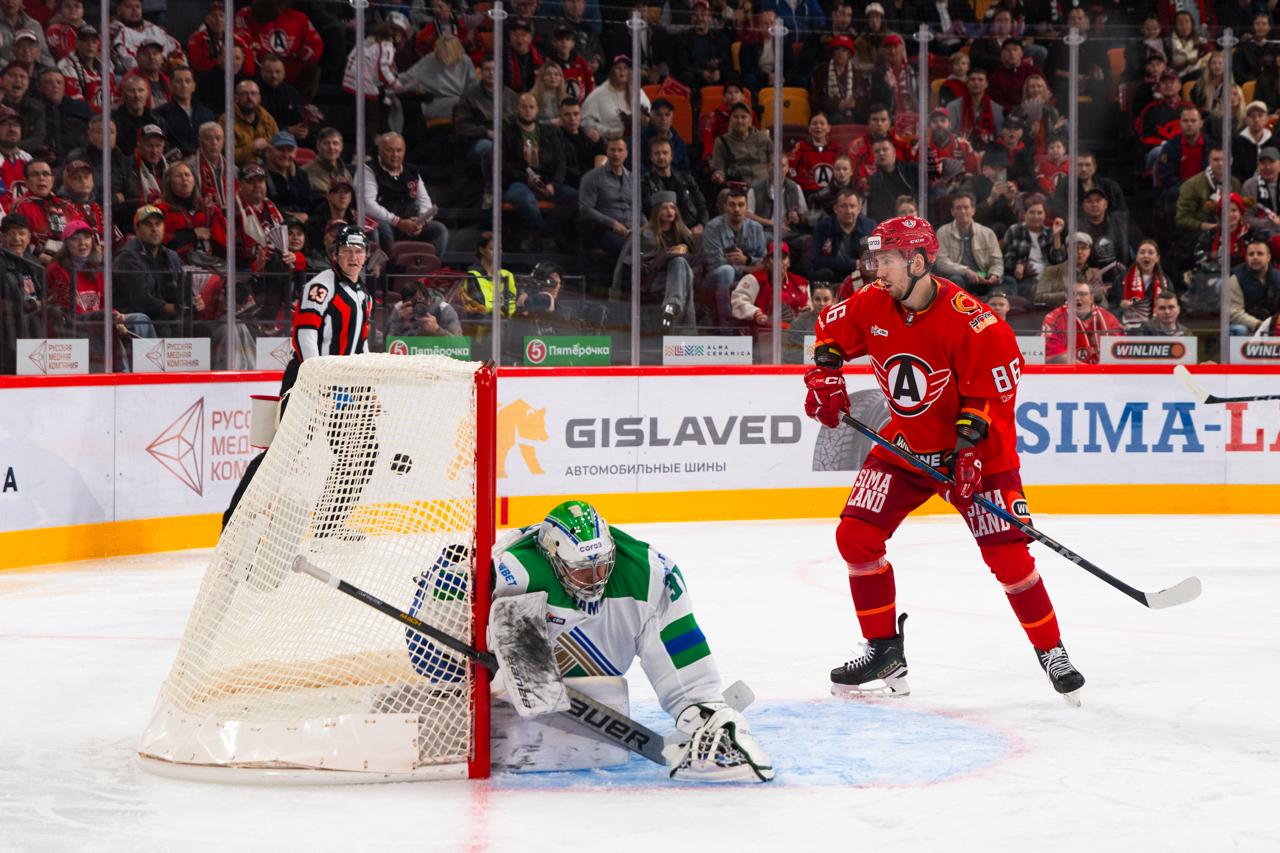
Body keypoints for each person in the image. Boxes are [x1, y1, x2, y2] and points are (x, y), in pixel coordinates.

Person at [802, 214, 1086, 702]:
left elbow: (990, 397)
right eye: (876, 261)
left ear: (917, 261)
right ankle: (883, 649)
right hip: (906, 447)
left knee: (1009, 558)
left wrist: (967, 452)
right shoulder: (874, 301)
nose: (877, 271)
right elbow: (830, 329)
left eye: (888, 261)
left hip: (977, 454)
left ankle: (1052, 651)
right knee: (856, 536)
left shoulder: (975, 322)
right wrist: (826, 375)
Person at [435, 499, 772, 781]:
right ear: (554, 559)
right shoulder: (514, 570)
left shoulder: (647, 571)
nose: (596, 580)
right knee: (467, 644)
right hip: (512, 674)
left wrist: (700, 706)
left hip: (600, 660)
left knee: (664, 620)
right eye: (583, 571)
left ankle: (702, 710)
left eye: (602, 567)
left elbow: (678, 640)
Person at [220, 224, 373, 533]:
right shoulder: (321, 287)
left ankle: (330, 524)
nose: (353, 257)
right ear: (335, 254)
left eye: (359, 251)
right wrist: (319, 384)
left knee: (361, 451)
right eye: (347, 250)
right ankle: (233, 521)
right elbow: (306, 336)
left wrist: (367, 386)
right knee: (282, 452)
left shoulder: (363, 296)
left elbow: (361, 343)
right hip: (307, 382)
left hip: (344, 386)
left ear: (366, 256)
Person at [614, 191, 699, 332]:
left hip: (677, 281)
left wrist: (684, 250)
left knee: (681, 266)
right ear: (656, 211)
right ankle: (686, 328)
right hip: (653, 280)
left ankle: (671, 307)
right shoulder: (644, 234)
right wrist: (668, 255)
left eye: (672, 207)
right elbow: (632, 265)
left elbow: (698, 261)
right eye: (665, 208)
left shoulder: (683, 234)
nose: (669, 211)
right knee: (680, 266)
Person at [362, 131, 447, 255]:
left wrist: (420, 222)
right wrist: (398, 222)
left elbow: (425, 203)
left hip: (409, 223)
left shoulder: (412, 171)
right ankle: (386, 266)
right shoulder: (368, 169)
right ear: (380, 151)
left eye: (399, 150)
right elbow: (368, 204)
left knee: (439, 230)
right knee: (383, 229)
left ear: (404, 151)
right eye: (389, 150)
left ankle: (430, 266)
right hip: (385, 222)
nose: (395, 155)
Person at [113, 204, 184, 337]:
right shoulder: (127, 258)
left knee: (202, 328)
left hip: (167, 317)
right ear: (137, 228)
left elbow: (183, 289)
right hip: (138, 318)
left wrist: (193, 301)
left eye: (158, 224)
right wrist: (173, 308)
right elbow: (140, 300)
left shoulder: (172, 256)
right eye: (148, 224)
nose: (154, 229)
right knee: (165, 328)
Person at [703, 186, 767, 329]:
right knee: (726, 271)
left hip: (748, 274)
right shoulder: (713, 227)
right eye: (732, 205)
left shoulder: (756, 228)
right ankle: (727, 326)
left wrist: (746, 260)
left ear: (747, 207)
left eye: (740, 205)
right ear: (725, 207)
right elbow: (714, 262)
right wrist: (747, 268)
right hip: (715, 277)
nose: (736, 209)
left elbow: (764, 260)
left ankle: (759, 325)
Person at [934, 192, 1003, 296]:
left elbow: (997, 262)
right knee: (955, 280)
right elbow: (941, 263)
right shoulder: (942, 232)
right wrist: (966, 271)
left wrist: (994, 275)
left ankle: (992, 303)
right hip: (960, 276)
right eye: (958, 208)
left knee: (1009, 281)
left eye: (966, 207)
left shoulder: (988, 233)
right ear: (952, 212)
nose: (962, 211)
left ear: (973, 210)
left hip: (983, 276)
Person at [1001, 194, 1065, 304]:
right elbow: (1007, 260)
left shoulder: (1050, 232)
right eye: (1032, 212)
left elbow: (1058, 261)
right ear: (1025, 214)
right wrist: (1018, 266)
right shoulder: (1014, 230)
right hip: (1025, 280)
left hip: (1049, 279)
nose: (1036, 216)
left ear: (1045, 215)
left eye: (1040, 213)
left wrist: (1057, 236)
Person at [1042, 281, 1122, 364]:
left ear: (1091, 298)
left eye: (1082, 294)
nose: (1077, 298)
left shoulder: (1109, 318)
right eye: (1073, 294)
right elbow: (1055, 355)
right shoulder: (1053, 318)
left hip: (1103, 370)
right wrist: (1088, 370)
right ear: (1067, 297)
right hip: (1070, 372)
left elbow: (1120, 350)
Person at [577, 136, 632, 256]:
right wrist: (613, 224)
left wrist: (645, 229)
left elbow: (639, 210)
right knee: (629, 247)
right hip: (606, 230)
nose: (616, 154)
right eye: (612, 150)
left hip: (632, 231)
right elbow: (585, 209)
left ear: (626, 154)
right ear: (607, 152)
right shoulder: (592, 177)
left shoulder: (633, 179)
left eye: (620, 150)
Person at [641, 136, 708, 232]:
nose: (661, 157)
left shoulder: (687, 179)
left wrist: (701, 225)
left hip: (692, 231)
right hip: (660, 232)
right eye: (657, 153)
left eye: (665, 152)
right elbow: (644, 212)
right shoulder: (644, 182)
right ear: (651, 157)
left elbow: (702, 206)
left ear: (671, 156)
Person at [810, 187, 873, 279]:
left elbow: (874, 259)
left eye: (852, 206)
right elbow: (816, 260)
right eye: (843, 206)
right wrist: (852, 264)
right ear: (835, 208)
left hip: (859, 275)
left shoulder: (870, 227)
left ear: (859, 209)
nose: (848, 211)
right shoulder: (822, 227)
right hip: (831, 276)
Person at [152, 65, 214, 158]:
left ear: (193, 86)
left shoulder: (207, 114)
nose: (183, 85)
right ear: (170, 86)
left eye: (187, 81)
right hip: (175, 162)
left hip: (203, 161)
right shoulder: (160, 114)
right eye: (178, 81)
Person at [1117, 239, 1174, 331]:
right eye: (1142, 252)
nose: (1146, 255)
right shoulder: (1123, 278)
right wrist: (1121, 306)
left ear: (1157, 258)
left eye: (1150, 253)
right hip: (1126, 330)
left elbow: (1172, 308)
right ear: (1137, 257)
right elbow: (1111, 304)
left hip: (1155, 332)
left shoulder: (1165, 281)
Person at [1227, 239, 1280, 334]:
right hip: (1245, 325)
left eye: (1260, 254)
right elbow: (1234, 313)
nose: (1255, 257)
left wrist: (1273, 324)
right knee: (1241, 329)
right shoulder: (1235, 279)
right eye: (1251, 254)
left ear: (1268, 257)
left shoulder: (1278, 277)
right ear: (1246, 258)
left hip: (1271, 324)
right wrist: (1259, 324)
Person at [223, 79, 278, 167]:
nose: (249, 98)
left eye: (253, 93)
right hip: (240, 168)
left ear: (259, 98)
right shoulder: (226, 121)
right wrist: (253, 147)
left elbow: (278, 145)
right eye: (244, 94)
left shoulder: (267, 118)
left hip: (269, 166)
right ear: (236, 98)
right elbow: (227, 156)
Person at [387, 278, 461, 338]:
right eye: (413, 304)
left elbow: (461, 346)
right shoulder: (400, 309)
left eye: (420, 302)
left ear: (429, 300)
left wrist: (437, 330)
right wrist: (400, 323)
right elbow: (388, 345)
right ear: (405, 303)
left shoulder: (445, 310)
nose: (418, 308)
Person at [264, 130, 312, 222]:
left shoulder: (302, 175)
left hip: (301, 222)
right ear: (270, 150)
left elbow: (308, 202)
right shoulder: (262, 175)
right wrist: (288, 216)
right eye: (280, 149)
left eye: (290, 150)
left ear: (295, 152)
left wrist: (305, 214)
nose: (286, 155)